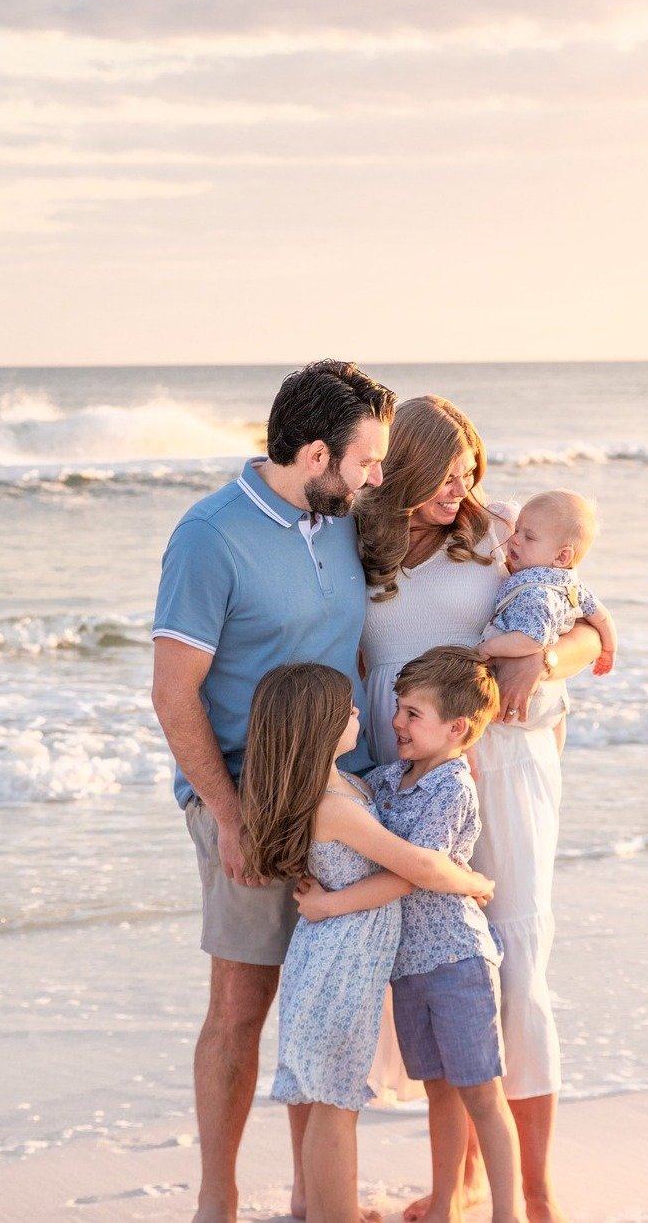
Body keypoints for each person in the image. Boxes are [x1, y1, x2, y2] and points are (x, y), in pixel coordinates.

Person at [151, 359, 395, 1223]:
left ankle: (312, 1199)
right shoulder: (208, 535)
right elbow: (172, 693)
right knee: (242, 1000)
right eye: (366, 461)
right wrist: (226, 814)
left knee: (323, 997)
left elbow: (462, 516)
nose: (375, 478)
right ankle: (216, 1199)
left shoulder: (337, 518)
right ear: (316, 451)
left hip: (340, 793)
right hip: (246, 798)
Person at [354, 396, 601, 1223]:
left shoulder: (496, 533)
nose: (461, 491)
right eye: (445, 475)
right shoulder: (357, 543)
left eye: (470, 473)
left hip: (503, 766)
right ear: (401, 468)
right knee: (437, 968)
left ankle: (533, 1186)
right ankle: (454, 1182)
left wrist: (546, 663)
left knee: (516, 963)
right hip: (411, 782)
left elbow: (592, 625)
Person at [242, 661, 495, 1223]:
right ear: (321, 727)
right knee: (335, 1098)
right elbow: (416, 867)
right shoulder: (335, 806)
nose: (362, 712)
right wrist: (476, 882)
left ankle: (317, 1203)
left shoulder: (348, 786)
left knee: (326, 1089)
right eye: (347, 708)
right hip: (341, 959)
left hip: (336, 951)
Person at [299, 647, 524, 1223]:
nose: (396, 723)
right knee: (440, 1092)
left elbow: (407, 875)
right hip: (408, 966)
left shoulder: (451, 789)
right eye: (399, 709)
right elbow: (342, 797)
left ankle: (510, 1212)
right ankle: (446, 1203)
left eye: (412, 714)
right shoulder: (390, 779)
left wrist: (331, 906)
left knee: (480, 1092)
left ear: (456, 729)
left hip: (455, 960)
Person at [475, 489, 617, 756]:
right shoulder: (571, 584)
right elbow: (602, 616)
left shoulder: (535, 591)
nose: (514, 540)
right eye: (517, 530)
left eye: (528, 537)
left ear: (562, 557)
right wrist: (609, 651)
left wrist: (488, 649)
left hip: (521, 687)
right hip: (549, 693)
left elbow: (532, 640)